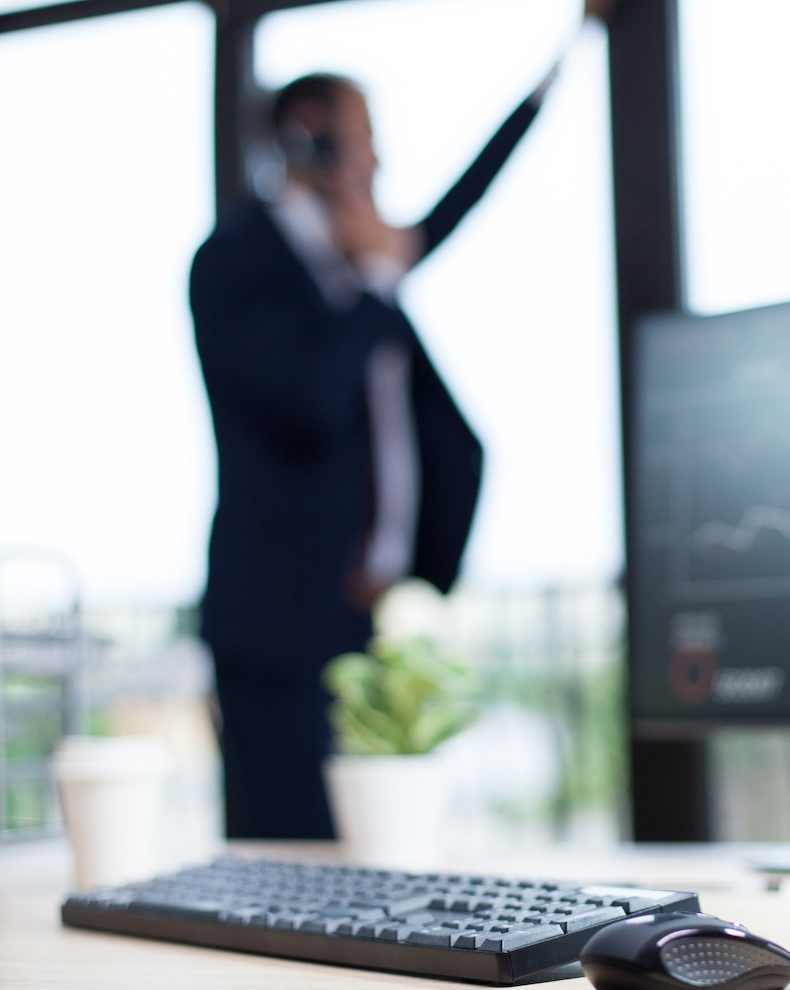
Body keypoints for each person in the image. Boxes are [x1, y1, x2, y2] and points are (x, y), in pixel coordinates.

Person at [189, 2, 610, 839]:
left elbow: (463, 197)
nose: (380, 157)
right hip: (273, 622)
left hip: (352, 613)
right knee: (289, 858)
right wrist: (376, 285)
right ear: (312, 138)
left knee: (362, 862)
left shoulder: (357, 267)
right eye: (364, 135)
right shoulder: (237, 261)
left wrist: (562, 60)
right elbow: (308, 404)